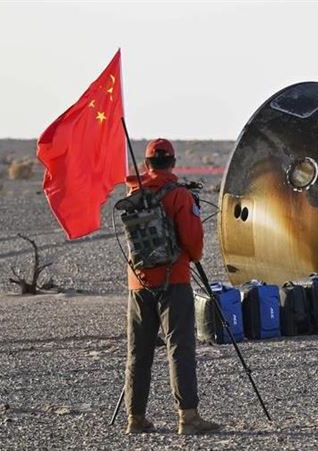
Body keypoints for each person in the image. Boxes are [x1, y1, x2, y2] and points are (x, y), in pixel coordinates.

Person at [124, 138, 220, 435]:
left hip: (138, 282)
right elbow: (192, 242)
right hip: (174, 280)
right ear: (173, 163)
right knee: (180, 348)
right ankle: (188, 418)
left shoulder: (134, 193)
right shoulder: (179, 195)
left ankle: (135, 418)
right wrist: (190, 256)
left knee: (138, 352)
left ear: (147, 163)